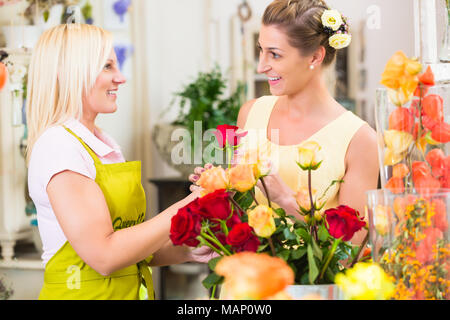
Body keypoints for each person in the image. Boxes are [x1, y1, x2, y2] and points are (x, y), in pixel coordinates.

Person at [26, 24, 212, 300]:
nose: (121, 78)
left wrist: (185, 250)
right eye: (108, 66)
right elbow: (104, 255)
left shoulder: (102, 143)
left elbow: (127, 245)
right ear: (73, 73)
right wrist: (191, 203)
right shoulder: (58, 147)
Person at [191, 0, 378, 246]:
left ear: (315, 56)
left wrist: (286, 199)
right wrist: (216, 195)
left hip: (308, 286)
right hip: (245, 279)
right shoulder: (251, 113)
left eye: (275, 54)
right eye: (261, 50)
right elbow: (241, 217)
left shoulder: (360, 139)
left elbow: (350, 249)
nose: (261, 66)